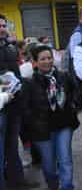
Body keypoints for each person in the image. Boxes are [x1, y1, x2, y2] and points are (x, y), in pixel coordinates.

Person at [21, 44, 79, 190]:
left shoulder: (63, 76)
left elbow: (75, 93)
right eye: (42, 59)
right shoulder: (29, 83)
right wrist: (32, 125)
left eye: (49, 58)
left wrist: (72, 106)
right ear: (34, 62)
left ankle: (67, 186)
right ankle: (53, 186)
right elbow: (25, 109)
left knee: (65, 160)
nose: (47, 61)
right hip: (42, 131)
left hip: (64, 126)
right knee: (48, 165)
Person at [0, 15, 39, 190]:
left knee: (12, 145)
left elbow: (16, 73)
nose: (2, 28)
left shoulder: (9, 47)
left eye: (3, 25)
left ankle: (17, 182)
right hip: (1, 106)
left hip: (14, 104)